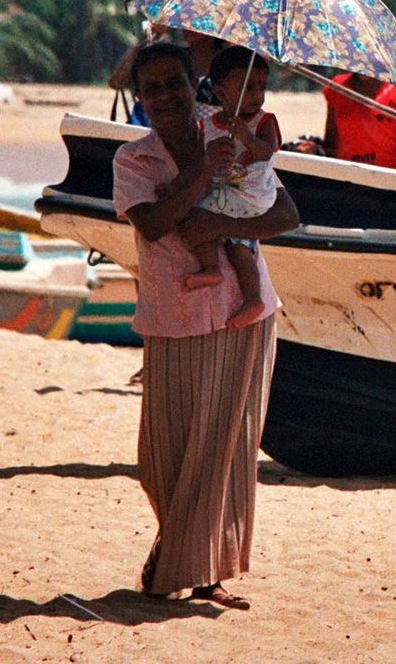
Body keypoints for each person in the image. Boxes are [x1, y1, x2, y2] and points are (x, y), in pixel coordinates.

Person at [112, 42, 300, 610]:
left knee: (226, 448)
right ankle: (179, 550)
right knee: (162, 454)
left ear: (194, 83)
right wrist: (201, 176)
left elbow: (285, 214)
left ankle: (204, 573)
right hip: (173, 315)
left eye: (176, 83)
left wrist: (217, 218)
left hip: (244, 311)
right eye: (154, 87)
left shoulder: (229, 130)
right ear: (141, 98)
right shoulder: (133, 161)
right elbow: (155, 225)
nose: (166, 95)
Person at [177, 46, 281, 329]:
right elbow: (198, 162)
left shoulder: (263, 122)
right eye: (248, 87)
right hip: (225, 191)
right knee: (200, 218)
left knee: (233, 242)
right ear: (221, 92)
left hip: (250, 195)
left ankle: (252, 298)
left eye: (262, 86)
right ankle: (211, 267)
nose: (257, 95)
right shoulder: (207, 125)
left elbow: (265, 153)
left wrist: (246, 138)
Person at [320, 71, 396, 172]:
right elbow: (330, 144)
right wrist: (312, 149)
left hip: (391, 178)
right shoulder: (337, 87)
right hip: (347, 178)